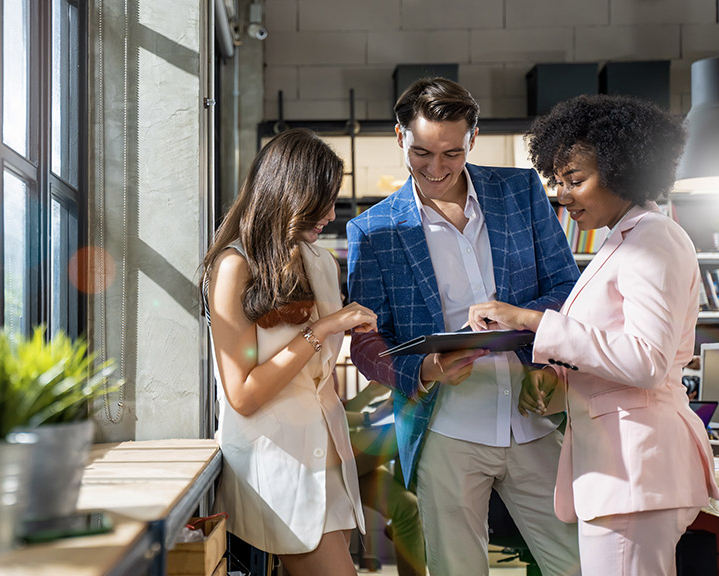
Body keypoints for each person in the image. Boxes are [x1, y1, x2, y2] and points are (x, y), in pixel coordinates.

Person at [468, 94, 719, 576]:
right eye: (558, 181)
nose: (563, 196)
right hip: (622, 471)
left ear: (624, 171)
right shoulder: (623, 239)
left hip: (635, 472)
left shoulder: (652, 239)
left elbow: (646, 360)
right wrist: (560, 386)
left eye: (576, 181)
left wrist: (533, 321)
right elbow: (616, 359)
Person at [346, 77, 582, 576]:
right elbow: (367, 341)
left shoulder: (520, 192)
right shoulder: (374, 230)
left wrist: (530, 336)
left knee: (579, 563)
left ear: (472, 139)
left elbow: (567, 285)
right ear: (399, 138)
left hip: (533, 418)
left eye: (451, 153)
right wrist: (425, 368)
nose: (436, 168)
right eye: (422, 153)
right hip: (444, 429)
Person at [201, 128, 378, 576]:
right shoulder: (233, 267)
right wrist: (321, 329)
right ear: (289, 195)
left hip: (327, 454)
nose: (331, 215)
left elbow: (320, 377)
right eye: (321, 203)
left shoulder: (317, 260)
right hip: (275, 462)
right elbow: (241, 395)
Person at [344, 380, 426, 576]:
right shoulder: (310, 358)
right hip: (327, 459)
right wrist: (370, 417)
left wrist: (369, 393)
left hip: (349, 459)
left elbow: (335, 410)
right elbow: (323, 417)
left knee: (408, 508)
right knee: (405, 431)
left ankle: (414, 512)